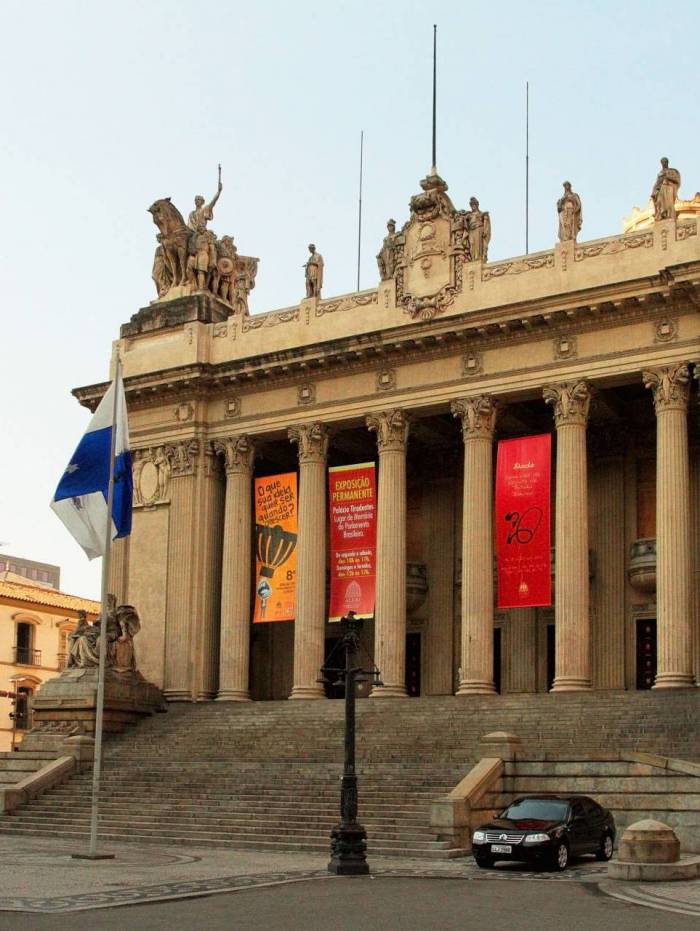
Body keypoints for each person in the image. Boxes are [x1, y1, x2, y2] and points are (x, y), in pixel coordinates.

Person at [465, 197, 491, 262]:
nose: (472, 207)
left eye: (474, 205)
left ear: (477, 205)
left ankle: (478, 258)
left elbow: (486, 222)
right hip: (471, 231)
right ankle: (472, 259)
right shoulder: (469, 215)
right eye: (471, 205)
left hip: (478, 229)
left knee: (477, 245)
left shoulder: (481, 213)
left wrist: (485, 230)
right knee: (471, 244)